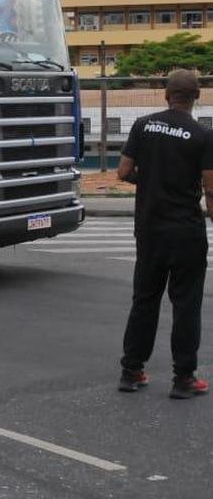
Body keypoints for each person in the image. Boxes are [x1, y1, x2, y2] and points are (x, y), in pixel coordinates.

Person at [117, 69, 213, 399]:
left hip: (149, 230)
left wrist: (151, 180)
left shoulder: (143, 125)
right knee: (186, 305)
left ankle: (131, 371)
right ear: (196, 97)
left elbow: (124, 171)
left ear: (165, 94)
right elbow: (210, 189)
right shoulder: (202, 134)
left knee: (144, 300)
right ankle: (183, 379)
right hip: (186, 232)